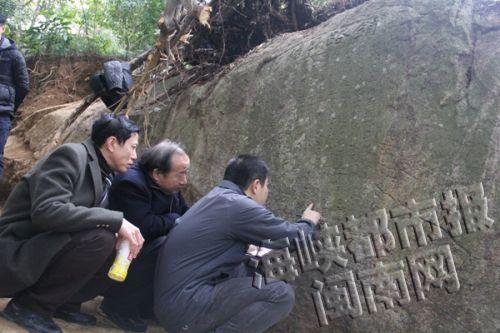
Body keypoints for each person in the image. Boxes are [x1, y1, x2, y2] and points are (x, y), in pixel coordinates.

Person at [0, 114, 144, 333]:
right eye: (132, 147)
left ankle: (63, 302)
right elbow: (46, 212)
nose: (135, 156)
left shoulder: (106, 172)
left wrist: (118, 230)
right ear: (112, 143)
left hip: (41, 245)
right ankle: (29, 306)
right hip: (15, 249)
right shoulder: (71, 155)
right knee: (101, 238)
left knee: (117, 243)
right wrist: (115, 220)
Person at [154, 154, 321, 333]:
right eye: (267, 185)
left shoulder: (217, 198)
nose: (267, 191)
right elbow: (294, 238)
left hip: (173, 305)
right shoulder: (239, 206)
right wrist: (308, 222)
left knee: (247, 268)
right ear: (256, 186)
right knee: (281, 295)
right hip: (186, 308)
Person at [101, 140, 190, 332]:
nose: (185, 180)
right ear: (157, 174)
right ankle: (117, 305)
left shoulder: (169, 187)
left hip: (141, 254)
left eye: (186, 172)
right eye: (180, 174)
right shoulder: (130, 183)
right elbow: (145, 227)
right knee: (165, 245)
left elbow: (186, 215)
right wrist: (174, 219)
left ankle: (144, 306)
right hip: (118, 255)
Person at [0, 13, 29, 179]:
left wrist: (10, 105)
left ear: (2, 28)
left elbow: (23, 86)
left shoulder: (14, 55)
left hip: (2, 114)